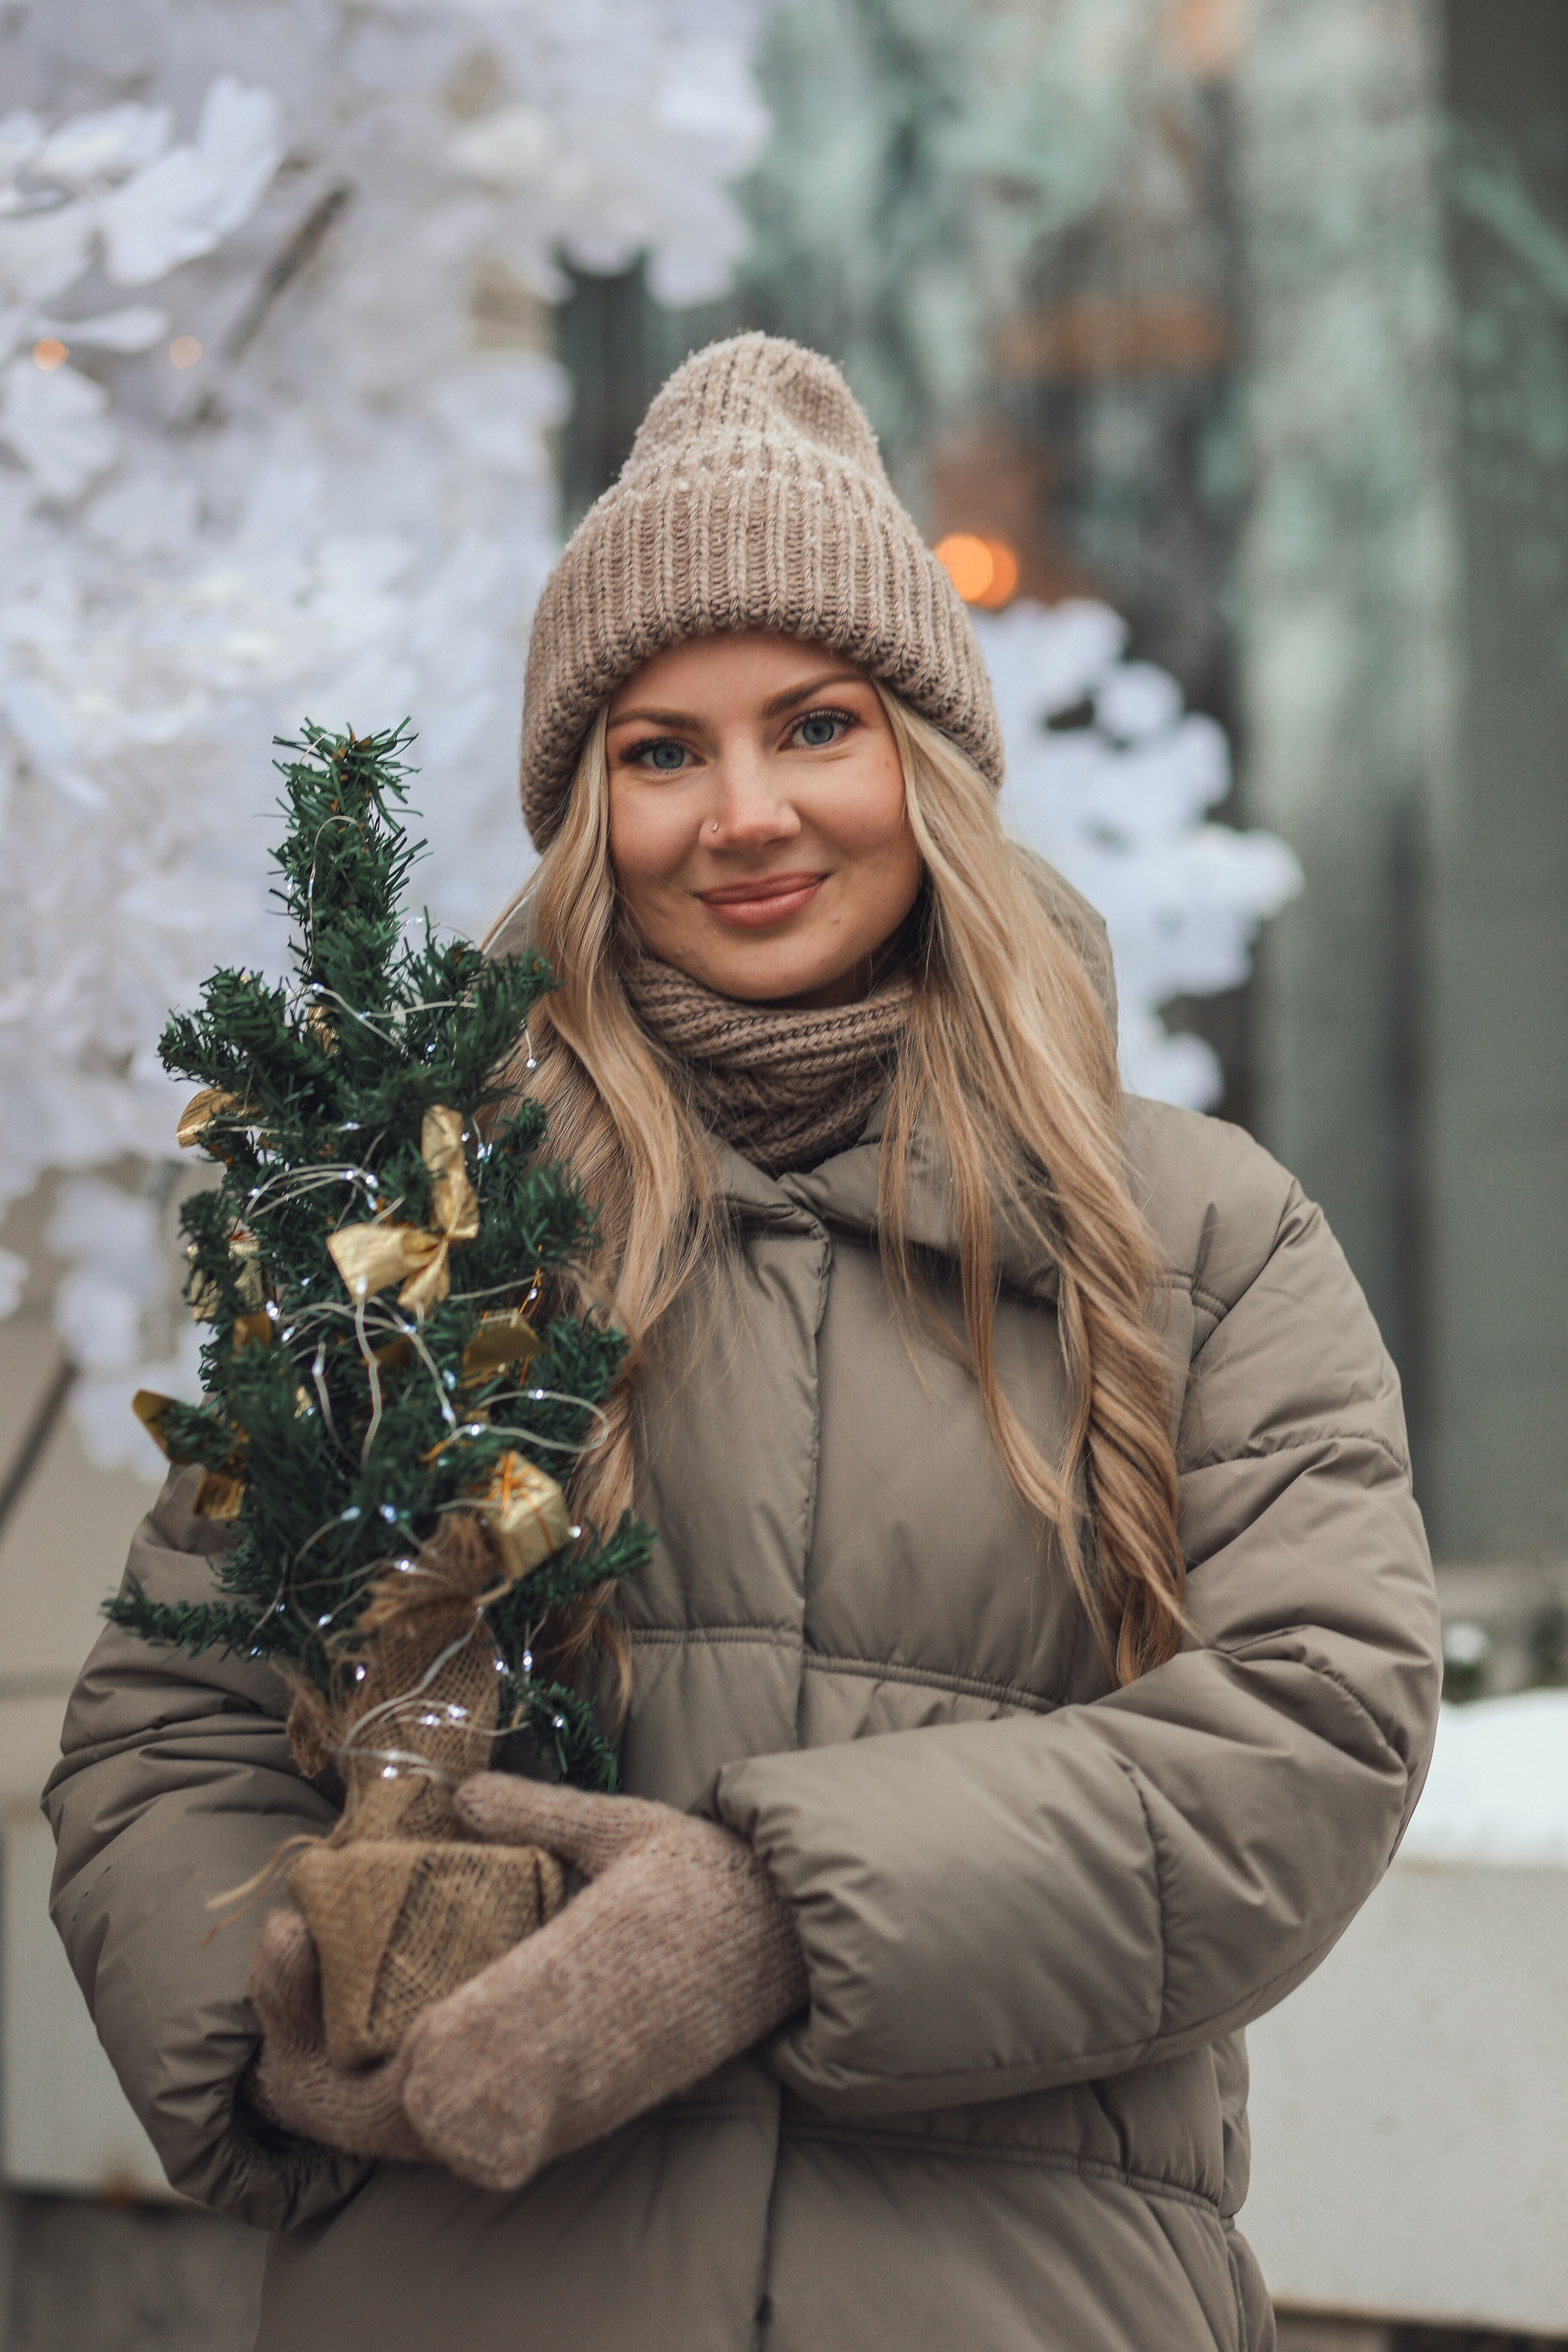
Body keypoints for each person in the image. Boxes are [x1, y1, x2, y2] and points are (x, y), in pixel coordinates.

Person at [44, 334, 1441, 2352]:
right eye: (662, 750)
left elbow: (1317, 1728)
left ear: (929, 764)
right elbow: (166, 1727)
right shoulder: (418, 1238)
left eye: (818, 724)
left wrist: (769, 1916)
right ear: (583, 808)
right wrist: (272, 2019)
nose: (749, 814)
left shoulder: (1197, 1234)